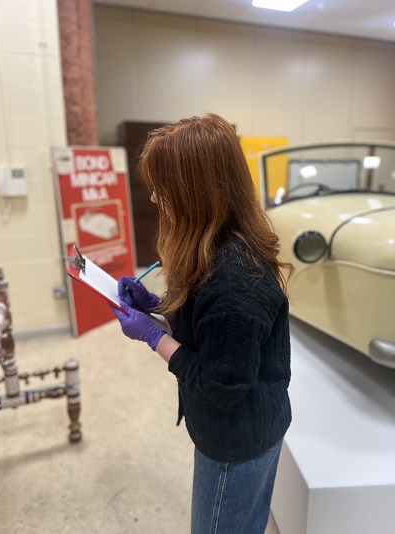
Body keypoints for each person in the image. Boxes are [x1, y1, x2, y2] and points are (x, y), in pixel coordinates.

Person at [112, 113, 292, 534]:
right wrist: (158, 305)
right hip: (251, 429)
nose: (155, 199)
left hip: (237, 441)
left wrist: (152, 336)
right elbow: (213, 330)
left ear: (195, 192)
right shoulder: (220, 245)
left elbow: (219, 386)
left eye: (163, 188)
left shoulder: (233, 284)